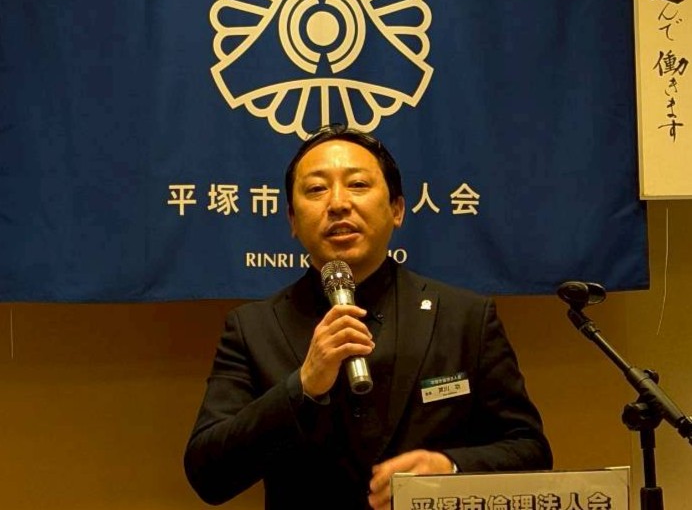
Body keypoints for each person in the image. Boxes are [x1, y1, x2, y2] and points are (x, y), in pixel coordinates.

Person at [184, 124, 552, 509]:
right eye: (316, 189)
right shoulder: (252, 328)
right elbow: (207, 475)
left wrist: (449, 467)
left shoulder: (465, 318)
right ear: (292, 220)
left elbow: (530, 449)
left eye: (358, 184)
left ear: (397, 210)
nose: (338, 203)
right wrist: (302, 386)